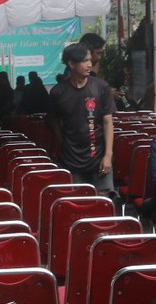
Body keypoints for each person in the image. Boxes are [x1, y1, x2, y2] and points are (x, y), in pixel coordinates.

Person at [48, 43, 116, 195]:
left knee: (104, 202)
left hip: (98, 159)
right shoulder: (58, 92)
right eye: (85, 61)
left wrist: (108, 156)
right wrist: (62, 143)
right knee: (78, 202)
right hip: (72, 161)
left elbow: (107, 122)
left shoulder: (101, 87)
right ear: (72, 64)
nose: (89, 64)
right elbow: (54, 122)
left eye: (90, 60)